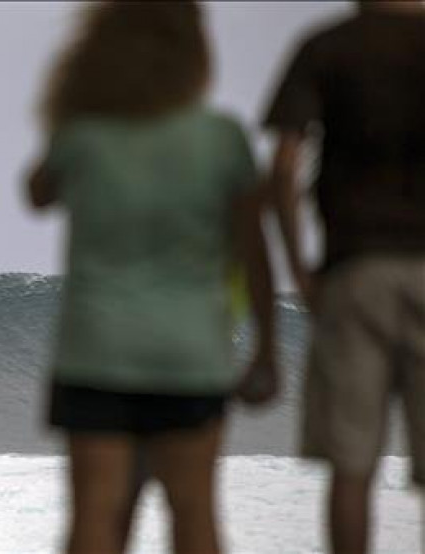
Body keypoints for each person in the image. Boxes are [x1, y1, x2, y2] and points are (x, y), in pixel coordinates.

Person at [25, 3, 276, 553]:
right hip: (190, 352)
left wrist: (76, 97)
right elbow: (255, 253)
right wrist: (268, 351)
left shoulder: (86, 133)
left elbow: (38, 191)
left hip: (97, 350)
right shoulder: (222, 138)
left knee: (96, 514)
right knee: (194, 513)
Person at [263, 3, 424, 553]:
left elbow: (284, 165)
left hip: (355, 269)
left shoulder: (328, 46)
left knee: (352, 467)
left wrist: (299, 268)